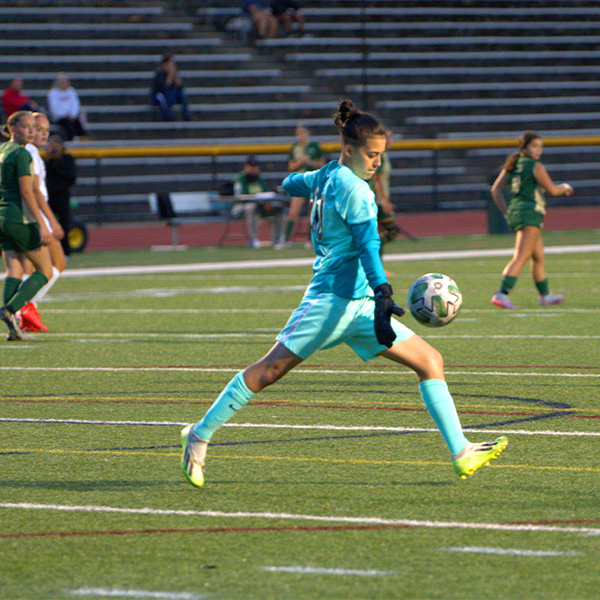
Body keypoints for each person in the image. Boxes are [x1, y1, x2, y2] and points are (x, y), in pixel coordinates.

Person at [181, 99, 508, 488]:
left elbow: (289, 184)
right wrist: (384, 293)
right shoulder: (356, 190)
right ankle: (198, 435)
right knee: (269, 370)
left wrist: (308, 180)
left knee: (430, 361)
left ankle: (461, 453)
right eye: (371, 155)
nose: (376, 164)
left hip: (359, 304)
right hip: (330, 303)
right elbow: (369, 246)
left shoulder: (328, 175)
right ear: (350, 149)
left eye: (380, 156)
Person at [490, 131, 573, 309]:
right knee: (522, 255)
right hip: (530, 213)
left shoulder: (512, 164)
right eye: (534, 146)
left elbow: (496, 190)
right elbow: (552, 190)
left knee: (538, 256)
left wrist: (506, 212)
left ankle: (545, 295)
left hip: (517, 211)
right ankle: (501, 294)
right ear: (524, 147)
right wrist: (565, 187)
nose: (538, 150)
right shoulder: (536, 166)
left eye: (540, 147)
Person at [0, 111, 53, 341]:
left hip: (2, 217)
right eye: (26, 127)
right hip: (19, 219)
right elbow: (27, 191)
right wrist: (42, 224)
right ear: (13, 129)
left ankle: (13, 328)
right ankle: (10, 310)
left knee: (14, 270)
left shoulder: (2, 150)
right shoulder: (21, 153)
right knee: (45, 271)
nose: (31, 131)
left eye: (34, 127)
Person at [19, 113, 67, 332]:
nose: (42, 135)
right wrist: (48, 221)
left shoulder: (30, 152)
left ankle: (25, 311)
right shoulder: (28, 151)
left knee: (27, 268)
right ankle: (24, 306)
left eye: (46, 131)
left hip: (27, 213)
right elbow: (34, 190)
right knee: (54, 264)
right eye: (38, 129)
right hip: (32, 214)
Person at [283, 123, 325, 244]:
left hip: (312, 181)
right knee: (293, 211)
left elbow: (322, 165)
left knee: (312, 211)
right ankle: (285, 239)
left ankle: (310, 239)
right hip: (300, 181)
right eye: (299, 133)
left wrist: (310, 162)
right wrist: (301, 161)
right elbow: (291, 166)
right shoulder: (295, 148)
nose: (301, 135)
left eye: (303, 132)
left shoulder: (315, 147)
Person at [232, 155, 285, 248]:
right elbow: (241, 197)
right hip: (242, 206)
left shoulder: (259, 178)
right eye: (251, 167)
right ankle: (254, 240)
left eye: (255, 167)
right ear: (246, 167)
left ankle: (277, 240)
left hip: (261, 205)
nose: (254, 169)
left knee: (278, 208)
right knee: (250, 207)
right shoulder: (240, 178)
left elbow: (266, 192)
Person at [45, 135, 76, 257]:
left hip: (62, 194)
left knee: (64, 223)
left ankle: (65, 251)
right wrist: (49, 159)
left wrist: (57, 162)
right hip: (49, 195)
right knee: (48, 223)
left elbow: (71, 178)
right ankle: (50, 252)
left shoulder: (68, 159)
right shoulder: (46, 160)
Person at [370, 127, 400, 250]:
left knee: (377, 233)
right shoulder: (379, 156)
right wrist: (383, 201)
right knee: (390, 230)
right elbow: (376, 179)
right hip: (376, 200)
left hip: (378, 199)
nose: (390, 140)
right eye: (388, 138)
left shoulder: (383, 155)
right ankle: (364, 255)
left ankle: (373, 262)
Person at [46, 73, 90, 142]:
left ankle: (84, 137)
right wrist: (64, 115)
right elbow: (53, 108)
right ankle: (73, 138)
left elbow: (76, 105)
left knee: (77, 122)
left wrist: (72, 115)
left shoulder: (71, 92)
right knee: (67, 123)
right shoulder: (53, 93)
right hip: (58, 117)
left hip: (71, 116)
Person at [150, 54, 191, 121]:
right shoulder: (159, 74)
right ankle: (167, 116)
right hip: (160, 95)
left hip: (170, 95)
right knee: (163, 97)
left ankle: (186, 115)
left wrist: (174, 76)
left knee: (182, 93)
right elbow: (164, 86)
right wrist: (170, 75)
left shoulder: (175, 73)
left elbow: (180, 85)